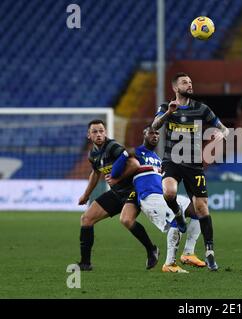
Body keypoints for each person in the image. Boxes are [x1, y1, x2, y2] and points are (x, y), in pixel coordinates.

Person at [151, 72, 229, 271]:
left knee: (202, 207)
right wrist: (169, 112)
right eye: (185, 82)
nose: (189, 84)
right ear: (176, 88)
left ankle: (209, 252)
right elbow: (154, 126)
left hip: (194, 165)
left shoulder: (201, 108)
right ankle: (178, 213)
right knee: (169, 192)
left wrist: (221, 135)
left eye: (191, 82)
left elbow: (224, 129)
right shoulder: (165, 107)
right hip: (172, 161)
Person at [109, 125, 206, 273]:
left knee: (198, 210)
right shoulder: (135, 152)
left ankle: (188, 253)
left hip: (163, 196)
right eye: (151, 133)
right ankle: (169, 264)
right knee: (175, 218)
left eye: (157, 133)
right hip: (150, 198)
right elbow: (114, 173)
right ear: (144, 134)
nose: (154, 135)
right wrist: (124, 154)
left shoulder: (157, 159)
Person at [77, 119, 158, 271]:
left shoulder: (113, 147)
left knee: (126, 220)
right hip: (117, 192)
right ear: (89, 135)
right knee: (86, 219)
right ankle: (85, 263)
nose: (99, 134)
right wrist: (86, 195)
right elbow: (95, 173)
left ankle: (151, 249)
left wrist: (117, 179)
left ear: (105, 132)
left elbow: (134, 164)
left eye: (101, 131)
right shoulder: (93, 154)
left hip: (133, 190)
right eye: (95, 132)